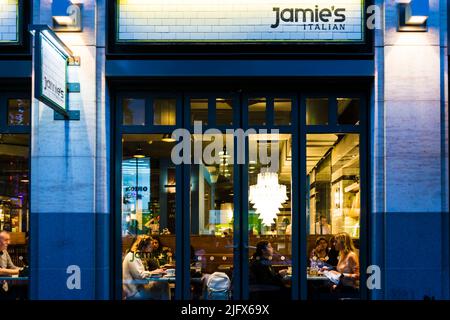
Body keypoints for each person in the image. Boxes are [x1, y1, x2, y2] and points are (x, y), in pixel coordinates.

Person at [122, 235, 169, 300]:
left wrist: (156, 272)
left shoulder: (134, 255)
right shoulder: (132, 256)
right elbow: (140, 276)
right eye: (150, 246)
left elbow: (140, 275)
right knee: (163, 288)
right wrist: (153, 272)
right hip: (134, 292)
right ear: (143, 246)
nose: (151, 248)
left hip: (137, 288)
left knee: (164, 284)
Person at [0, 230, 22, 298]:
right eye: (6, 240)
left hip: (5, 283)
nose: (9, 242)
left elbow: (12, 266)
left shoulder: (5, 251)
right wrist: (20, 272)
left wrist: (24, 269)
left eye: (9, 240)